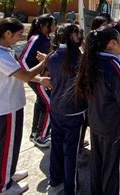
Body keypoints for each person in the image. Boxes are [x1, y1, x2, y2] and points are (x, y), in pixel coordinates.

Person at [0, 18, 51, 194]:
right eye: (19, 35)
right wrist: (44, 63)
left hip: (8, 106)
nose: (21, 38)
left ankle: (7, 174)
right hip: (7, 108)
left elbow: (18, 75)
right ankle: (2, 186)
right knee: (6, 146)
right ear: (7, 34)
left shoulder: (3, 51)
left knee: (5, 144)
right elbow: (25, 75)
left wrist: (40, 79)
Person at [75, 26, 120, 195]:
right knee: (112, 168)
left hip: (95, 121)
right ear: (112, 44)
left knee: (97, 163)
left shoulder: (91, 61)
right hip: (113, 127)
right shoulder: (115, 66)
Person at [47, 24, 87, 195]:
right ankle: (71, 188)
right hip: (74, 111)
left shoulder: (52, 56)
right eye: (78, 33)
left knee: (56, 145)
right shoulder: (77, 57)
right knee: (71, 151)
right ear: (72, 35)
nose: (80, 36)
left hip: (56, 108)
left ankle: (55, 179)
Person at [19, 14, 57, 148]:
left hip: (42, 78)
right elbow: (23, 60)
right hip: (39, 79)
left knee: (42, 103)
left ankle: (35, 133)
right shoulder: (36, 39)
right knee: (50, 104)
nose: (54, 27)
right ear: (43, 25)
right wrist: (36, 77)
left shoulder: (46, 38)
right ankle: (41, 136)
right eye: (52, 24)